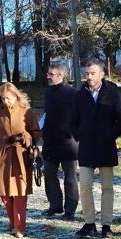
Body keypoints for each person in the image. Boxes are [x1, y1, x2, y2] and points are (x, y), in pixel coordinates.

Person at [69, 58, 121, 238]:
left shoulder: (112, 93)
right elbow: (72, 121)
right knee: (85, 186)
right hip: (86, 148)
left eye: (93, 73)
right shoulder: (80, 95)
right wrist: (80, 135)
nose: (89, 76)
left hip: (105, 147)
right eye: (87, 73)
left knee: (107, 187)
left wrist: (110, 135)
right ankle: (89, 223)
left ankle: (106, 225)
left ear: (102, 74)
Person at [0, 83, 42, 237]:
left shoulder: (26, 111)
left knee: (19, 192)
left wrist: (24, 137)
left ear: (16, 96)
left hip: (21, 157)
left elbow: (36, 132)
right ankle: (12, 220)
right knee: (4, 193)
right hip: (3, 157)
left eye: (8, 98)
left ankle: (19, 226)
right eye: (2, 99)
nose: (5, 101)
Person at [40, 61, 79, 220]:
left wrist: (74, 134)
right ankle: (55, 205)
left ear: (61, 76)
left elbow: (80, 116)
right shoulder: (48, 93)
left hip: (68, 142)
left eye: (51, 74)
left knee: (70, 178)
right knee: (49, 174)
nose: (48, 77)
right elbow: (47, 114)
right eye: (48, 73)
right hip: (50, 141)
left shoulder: (73, 93)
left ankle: (70, 209)